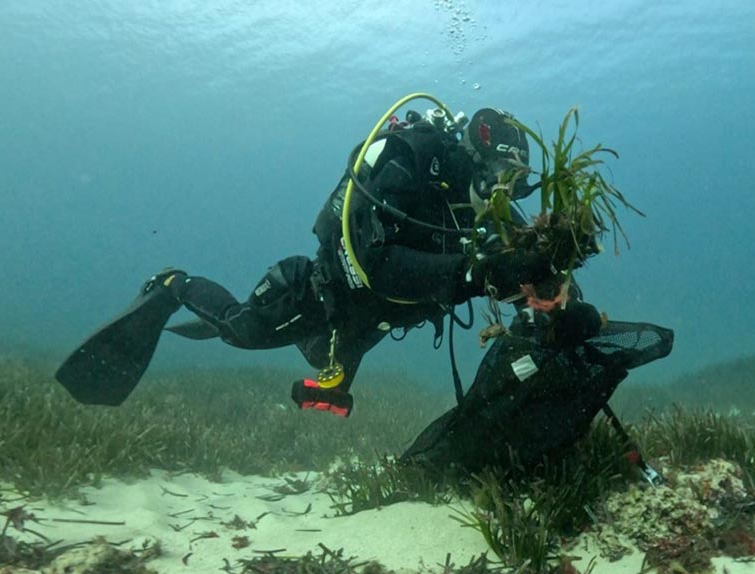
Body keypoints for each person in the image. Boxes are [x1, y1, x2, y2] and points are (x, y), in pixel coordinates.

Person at [56, 106, 559, 415]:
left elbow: (508, 267)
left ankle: (318, 363)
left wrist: (545, 282)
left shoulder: (472, 207)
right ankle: (174, 286)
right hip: (321, 289)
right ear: (477, 159)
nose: (504, 193)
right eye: (501, 178)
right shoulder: (405, 160)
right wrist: (474, 272)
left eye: (513, 186)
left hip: (365, 323)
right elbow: (374, 264)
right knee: (240, 331)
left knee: (324, 362)